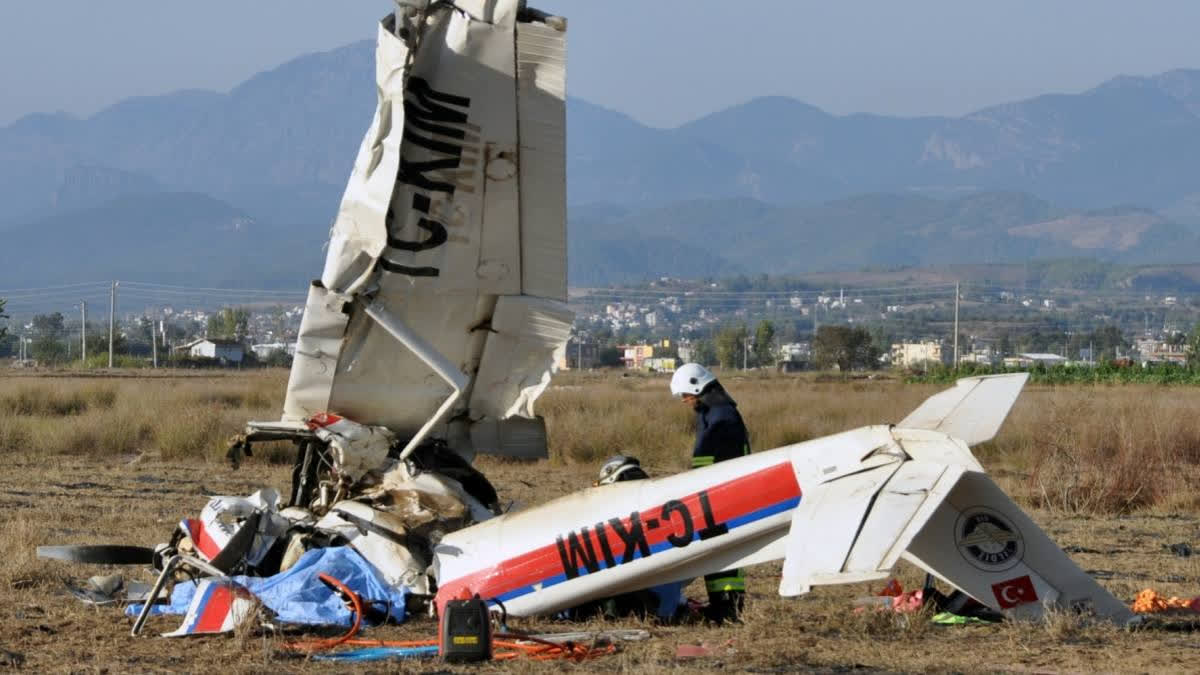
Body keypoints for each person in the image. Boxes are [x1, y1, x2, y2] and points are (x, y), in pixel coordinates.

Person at [670, 362, 750, 623]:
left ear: (697, 386)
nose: (684, 400)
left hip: (722, 497)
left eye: (685, 395)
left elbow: (709, 459)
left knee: (722, 553)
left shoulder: (721, 417)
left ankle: (727, 608)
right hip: (717, 494)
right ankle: (725, 607)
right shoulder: (714, 411)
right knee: (720, 553)